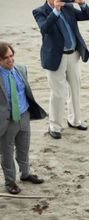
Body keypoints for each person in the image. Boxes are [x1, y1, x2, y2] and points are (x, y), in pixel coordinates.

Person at [33, 0, 89, 139]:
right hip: (55, 58)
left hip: (73, 55)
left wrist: (82, 3)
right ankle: (55, 126)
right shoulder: (39, 11)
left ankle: (75, 120)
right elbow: (44, 28)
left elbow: (87, 16)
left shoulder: (69, 7)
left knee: (75, 89)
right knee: (58, 93)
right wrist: (56, 11)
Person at [0, 42, 47, 195]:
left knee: (24, 147)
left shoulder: (21, 69)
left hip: (24, 115)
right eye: (5, 58)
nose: (10, 60)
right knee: (6, 152)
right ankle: (10, 181)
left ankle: (25, 174)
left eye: (11, 56)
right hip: (7, 121)